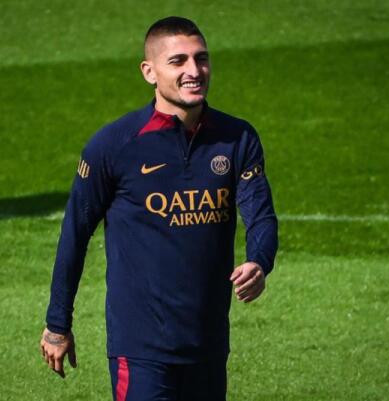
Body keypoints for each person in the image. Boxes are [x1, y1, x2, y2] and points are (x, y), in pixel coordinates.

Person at [39, 16, 278, 401]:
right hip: (140, 349)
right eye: (178, 61)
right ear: (149, 72)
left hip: (208, 344)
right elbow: (75, 235)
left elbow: (260, 213)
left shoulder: (238, 138)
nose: (194, 71)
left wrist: (260, 261)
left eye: (201, 58)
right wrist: (57, 324)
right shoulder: (114, 146)